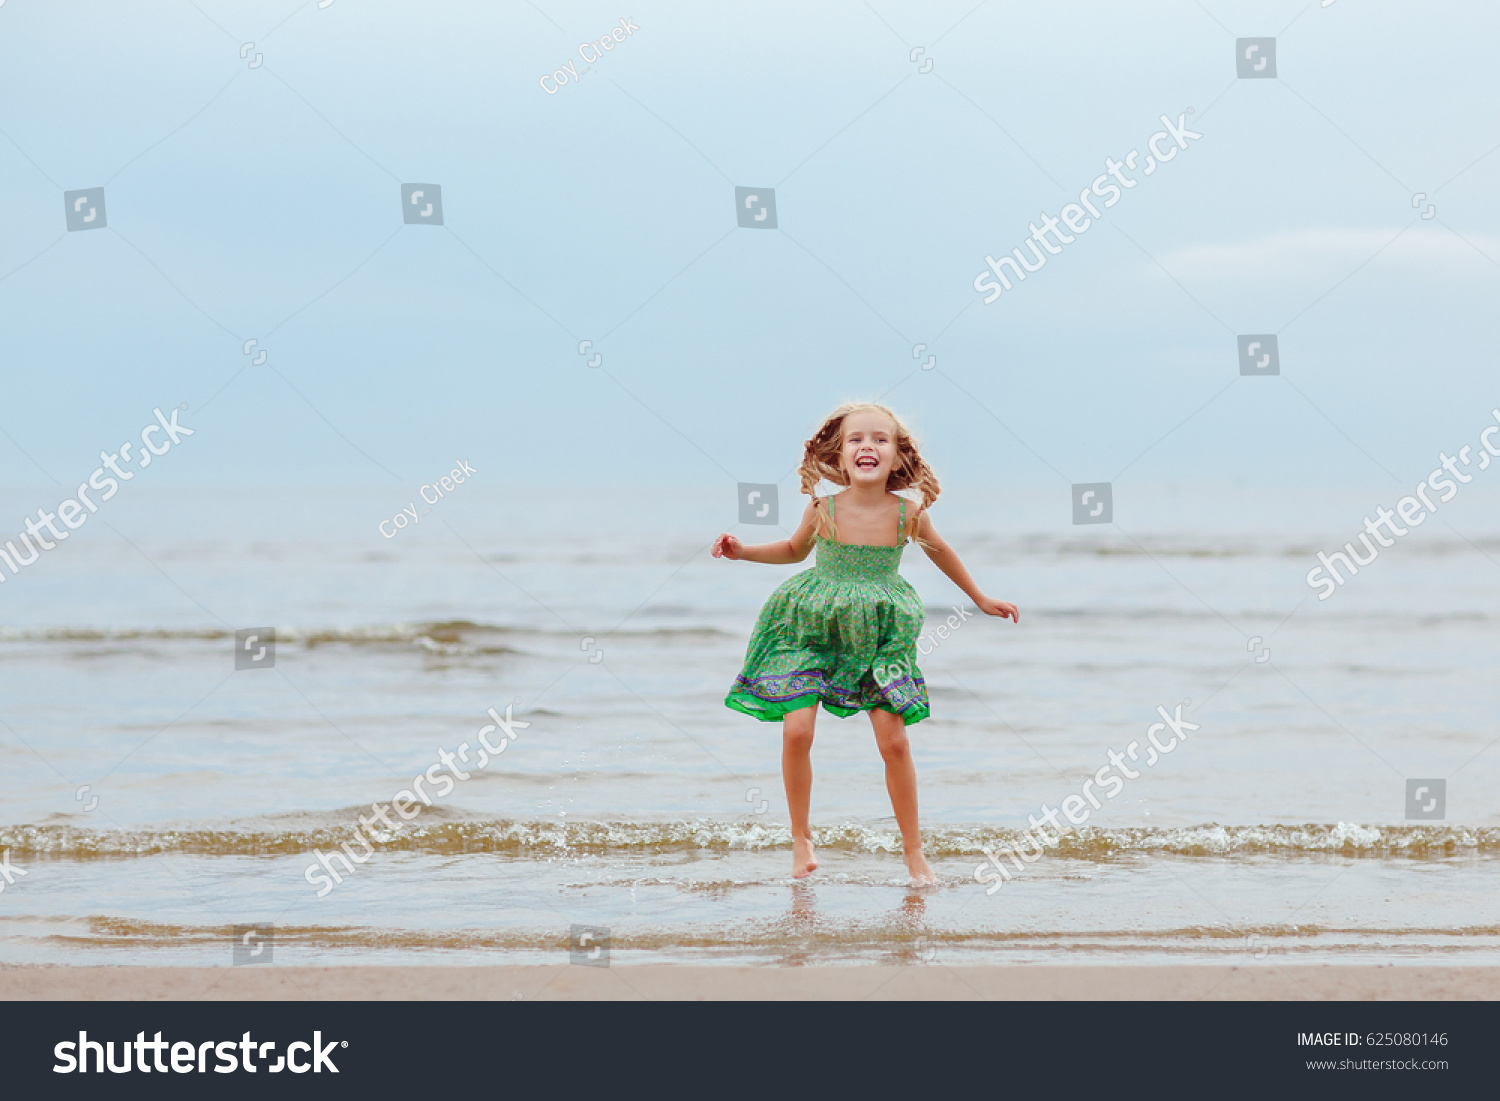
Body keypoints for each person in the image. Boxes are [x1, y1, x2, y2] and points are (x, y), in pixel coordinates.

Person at [712, 402, 1019, 883]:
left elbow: (944, 555)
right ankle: (801, 839)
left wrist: (980, 598)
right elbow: (794, 551)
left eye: (880, 439)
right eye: (856, 439)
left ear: (897, 457)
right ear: (840, 454)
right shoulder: (823, 509)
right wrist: (742, 551)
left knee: (894, 741)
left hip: (881, 630)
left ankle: (914, 851)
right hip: (812, 623)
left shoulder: (908, 515)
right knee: (797, 731)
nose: (867, 447)